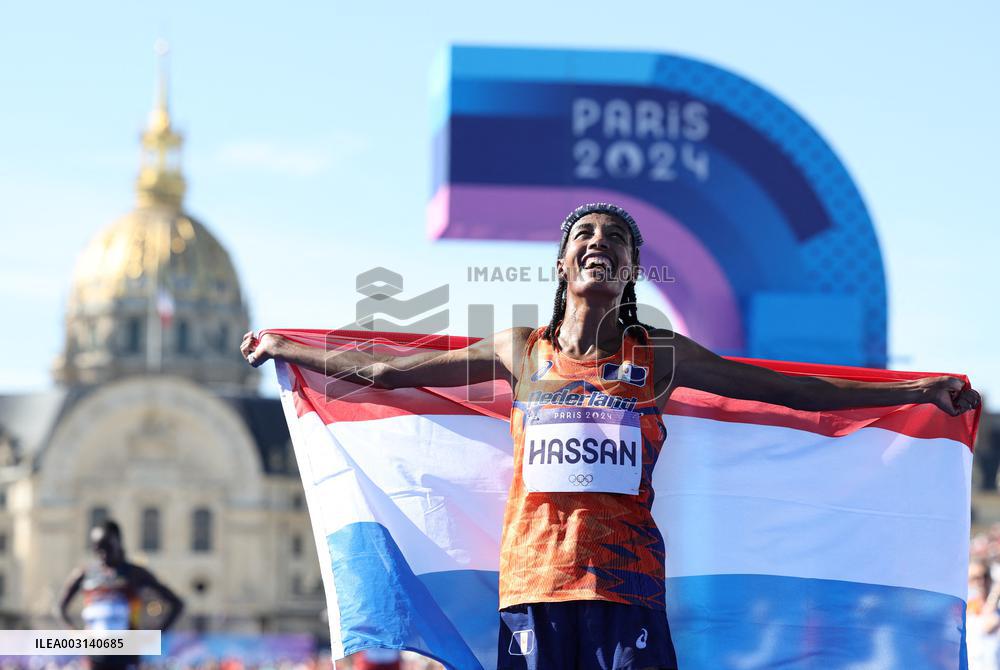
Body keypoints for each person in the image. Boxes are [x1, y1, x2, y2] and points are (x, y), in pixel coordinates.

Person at [241, 202, 981, 670]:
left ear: (629, 271)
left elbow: (788, 391)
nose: (600, 244)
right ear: (564, 263)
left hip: (626, 592)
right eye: (586, 235)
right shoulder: (518, 349)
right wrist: (289, 348)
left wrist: (918, 390)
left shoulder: (657, 356)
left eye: (617, 240)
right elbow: (385, 371)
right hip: (533, 591)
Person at [59, 519, 185, 670]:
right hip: (94, 656)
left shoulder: (135, 573)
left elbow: (177, 603)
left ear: (118, 543)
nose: (103, 554)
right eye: (98, 549)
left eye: (108, 547)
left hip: (126, 657)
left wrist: (155, 636)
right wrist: (74, 633)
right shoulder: (85, 574)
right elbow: (60, 607)